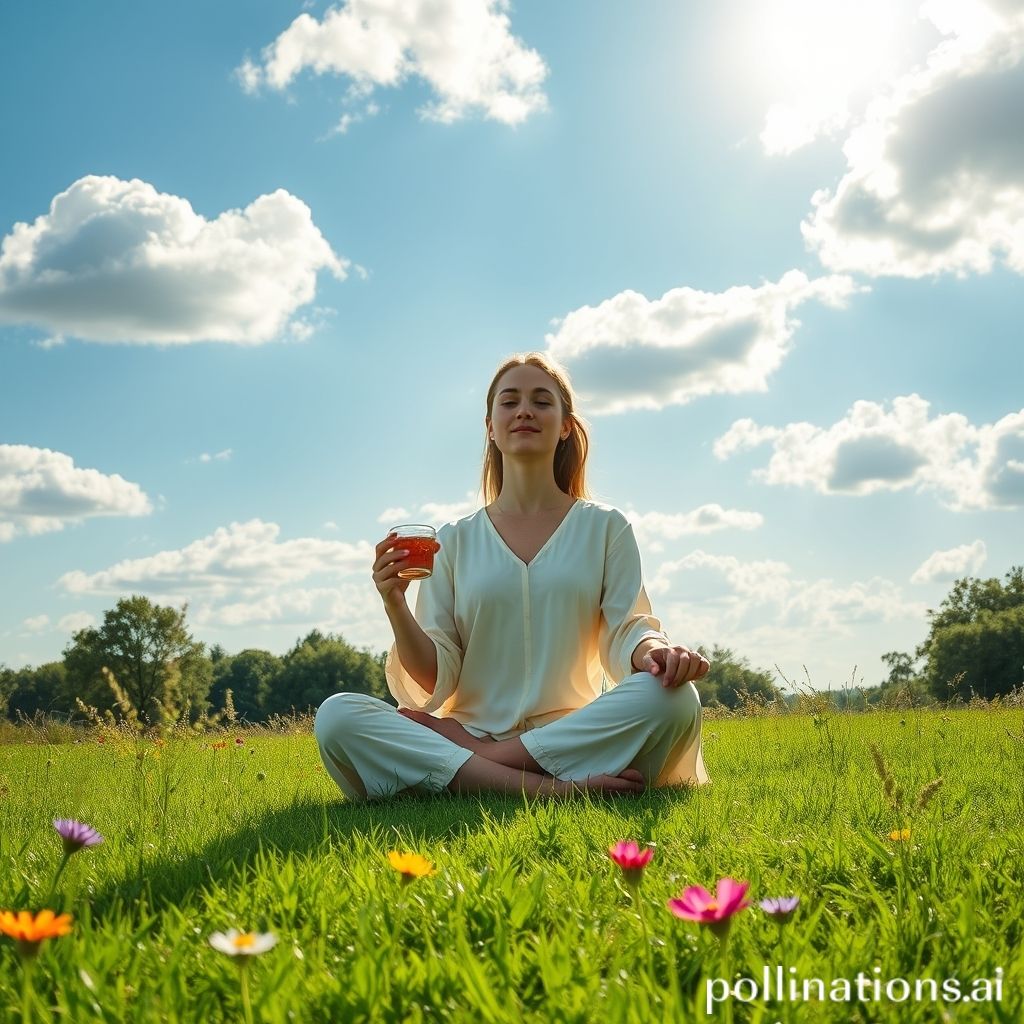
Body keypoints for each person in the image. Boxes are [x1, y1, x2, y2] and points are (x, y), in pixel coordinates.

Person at [314, 352, 711, 801]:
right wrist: (395, 605)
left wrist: (658, 652)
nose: (524, 410)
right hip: (479, 729)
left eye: (542, 401)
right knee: (337, 715)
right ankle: (553, 791)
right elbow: (434, 676)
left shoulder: (604, 527)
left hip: (567, 733)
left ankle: (475, 767)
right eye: (510, 402)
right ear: (490, 426)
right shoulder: (455, 539)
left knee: (674, 698)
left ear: (565, 426)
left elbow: (628, 628)